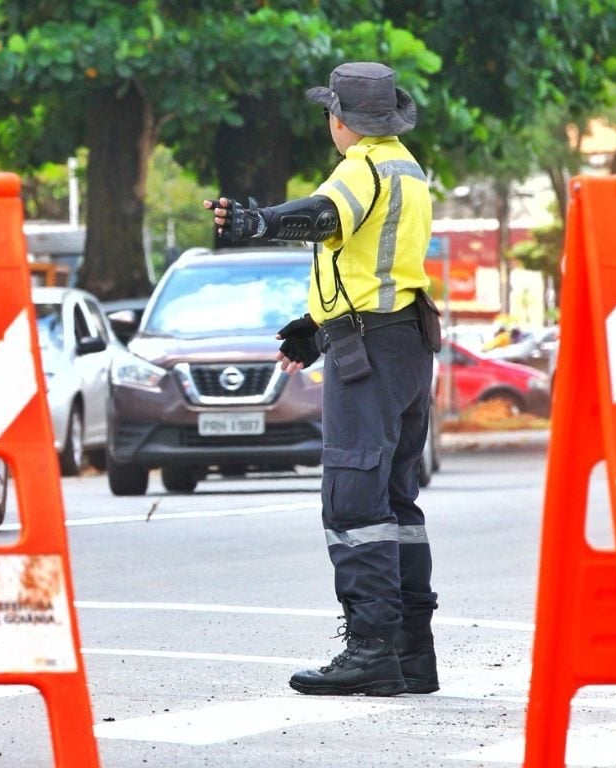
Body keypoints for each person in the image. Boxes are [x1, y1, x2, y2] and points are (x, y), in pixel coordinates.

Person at [204, 61, 440, 697]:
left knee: (353, 499)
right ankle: (413, 654)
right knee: (395, 501)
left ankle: (371, 651)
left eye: (330, 113)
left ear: (342, 120)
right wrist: (318, 324)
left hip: (373, 350)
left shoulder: (360, 168)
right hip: (406, 342)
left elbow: (326, 217)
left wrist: (258, 222)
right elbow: (378, 266)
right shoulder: (407, 168)